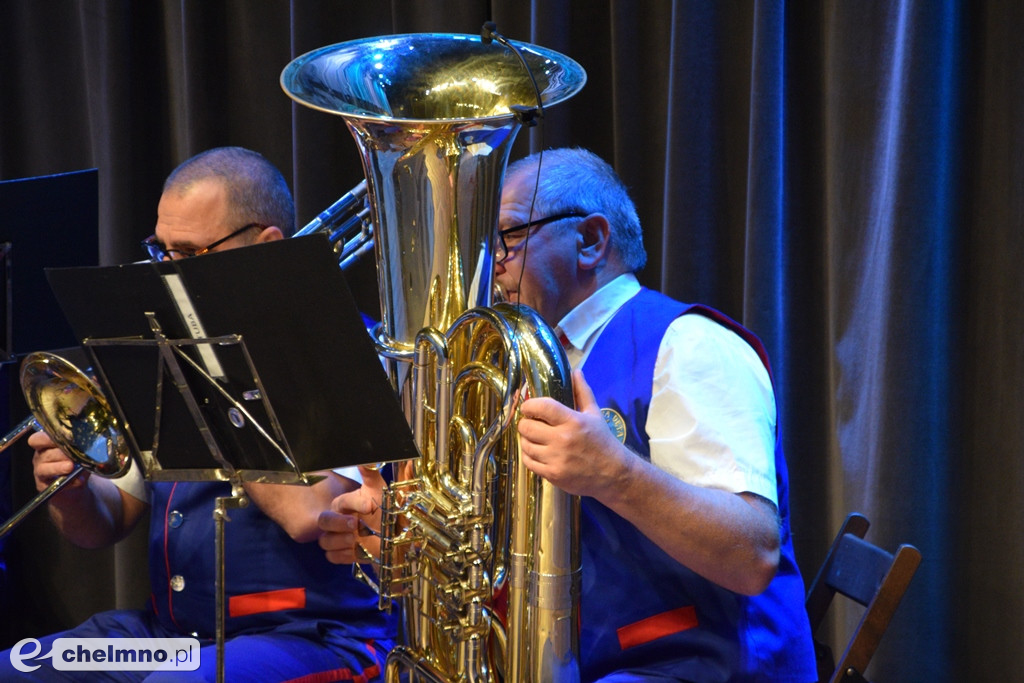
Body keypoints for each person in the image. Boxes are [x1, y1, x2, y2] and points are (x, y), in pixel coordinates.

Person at [319, 147, 817, 682]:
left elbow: (753, 554)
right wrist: (403, 535)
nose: (493, 265)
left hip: (700, 667)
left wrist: (615, 473)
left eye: (508, 237)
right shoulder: (517, 365)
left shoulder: (688, 345)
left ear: (590, 240)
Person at [0, 147, 396, 681]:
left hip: (310, 635)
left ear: (266, 247)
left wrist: (213, 380)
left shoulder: (341, 349)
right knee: (20, 670)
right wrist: (71, 488)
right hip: (173, 642)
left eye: (188, 254)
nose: (165, 273)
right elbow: (102, 524)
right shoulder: (165, 349)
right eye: (160, 251)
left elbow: (311, 515)